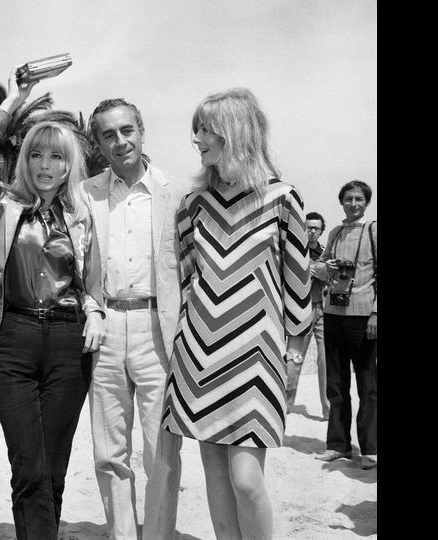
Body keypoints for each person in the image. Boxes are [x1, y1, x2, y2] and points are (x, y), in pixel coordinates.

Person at [0, 66, 106, 540]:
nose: (45, 164)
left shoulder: (81, 217)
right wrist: (18, 98)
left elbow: (93, 283)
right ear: (25, 160)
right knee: (28, 462)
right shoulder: (1, 203)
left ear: (69, 165)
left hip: (68, 344)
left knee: (54, 465)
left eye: (56, 157)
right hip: (12, 341)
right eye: (36, 154)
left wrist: (97, 313)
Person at [160, 88, 312, 540]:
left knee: (246, 480)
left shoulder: (283, 200)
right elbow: (189, 284)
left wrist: (294, 359)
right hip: (199, 355)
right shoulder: (191, 206)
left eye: (206, 129)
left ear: (235, 132)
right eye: (196, 130)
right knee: (214, 476)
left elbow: (298, 289)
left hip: (256, 356)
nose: (197, 139)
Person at [83, 98, 190, 540]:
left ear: (142, 131)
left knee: (161, 450)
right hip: (104, 326)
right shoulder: (84, 194)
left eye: (127, 130)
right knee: (109, 452)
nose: (120, 140)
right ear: (98, 143)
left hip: (156, 331)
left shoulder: (177, 195)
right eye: (108, 134)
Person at [311, 180, 377, 470]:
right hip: (334, 314)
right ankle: (338, 445)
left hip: (364, 316)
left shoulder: (373, 231)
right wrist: (328, 269)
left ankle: (371, 448)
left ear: (366, 202)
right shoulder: (336, 232)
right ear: (341, 202)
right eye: (348, 198)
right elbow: (319, 267)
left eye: (358, 199)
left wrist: (376, 314)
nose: (353, 203)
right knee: (336, 384)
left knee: (368, 385)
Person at [284, 211, 331, 419]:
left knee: (325, 361)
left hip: (324, 309)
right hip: (300, 311)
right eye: (309, 227)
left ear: (321, 231)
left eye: (316, 228)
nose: (312, 232)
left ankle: (328, 411)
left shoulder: (326, 253)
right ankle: (285, 406)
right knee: (294, 359)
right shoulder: (294, 251)